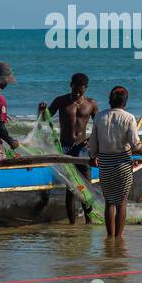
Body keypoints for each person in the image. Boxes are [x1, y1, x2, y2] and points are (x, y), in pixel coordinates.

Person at [88, 86, 142, 239]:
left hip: (105, 164)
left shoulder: (99, 117)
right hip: (123, 165)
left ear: (109, 100)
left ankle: (110, 237)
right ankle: (118, 238)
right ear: (125, 102)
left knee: (109, 202)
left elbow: (93, 142)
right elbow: (135, 145)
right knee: (121, 202)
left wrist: (93, 157)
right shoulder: (128, 117)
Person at [39, 73, 100, 223]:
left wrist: (91, 140)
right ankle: (72, 224)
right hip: (65, 149)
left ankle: (89, 222)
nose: (77, 93)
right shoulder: (61, 101)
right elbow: (44, 119)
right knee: (71, 189)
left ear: (86, 88)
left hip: (83, 150)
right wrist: (41, 110)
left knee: (86, 188)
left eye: (81, 90)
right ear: (70, 85)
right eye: (75, 89)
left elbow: (99, 125)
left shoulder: (91, 104)